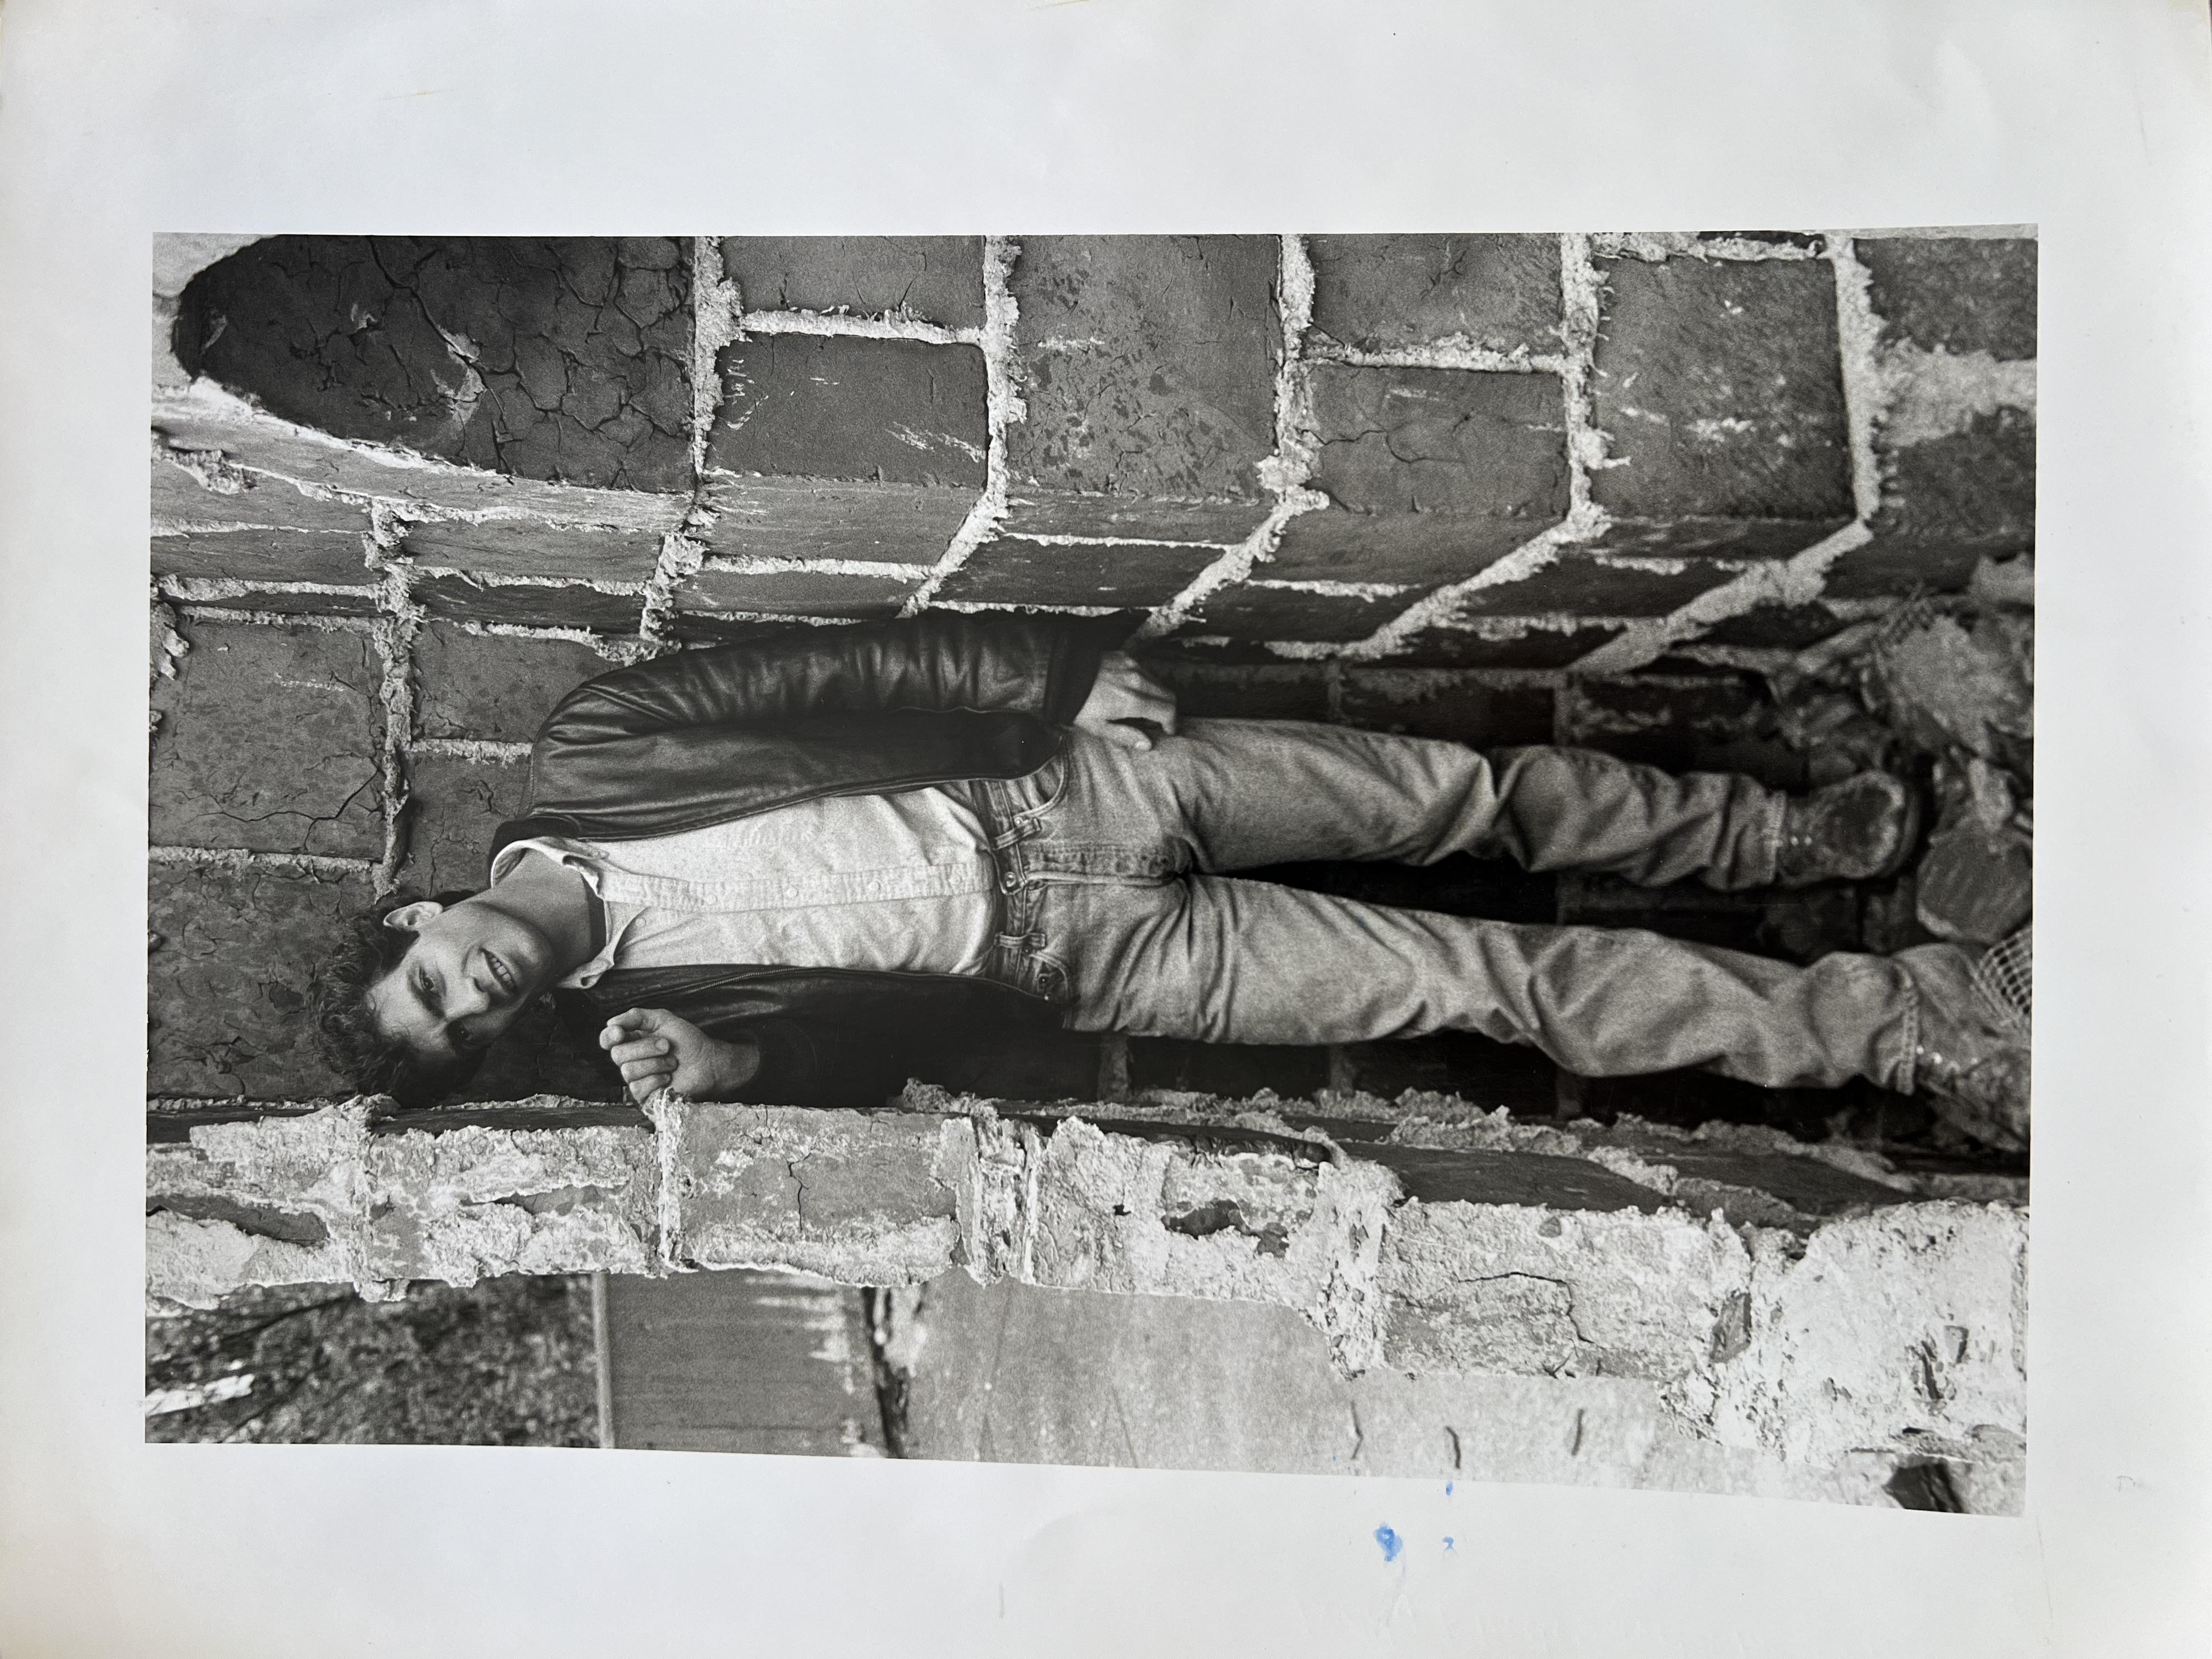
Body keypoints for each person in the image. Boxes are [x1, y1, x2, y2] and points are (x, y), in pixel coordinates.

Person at [309, 615, 2030, 1149]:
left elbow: (849, 674)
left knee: (1465, 794)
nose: (479, 990)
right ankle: (1895, 1024)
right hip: (1106, 961)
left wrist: (1051, 685)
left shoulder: (597, 746)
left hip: (1084, 784)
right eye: (465, 1030)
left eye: (438, 976)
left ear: (422, 916)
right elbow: (896, 1063)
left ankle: (1785, 846)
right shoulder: (652, 1040)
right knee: (1486, 986)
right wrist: (751, 1072)